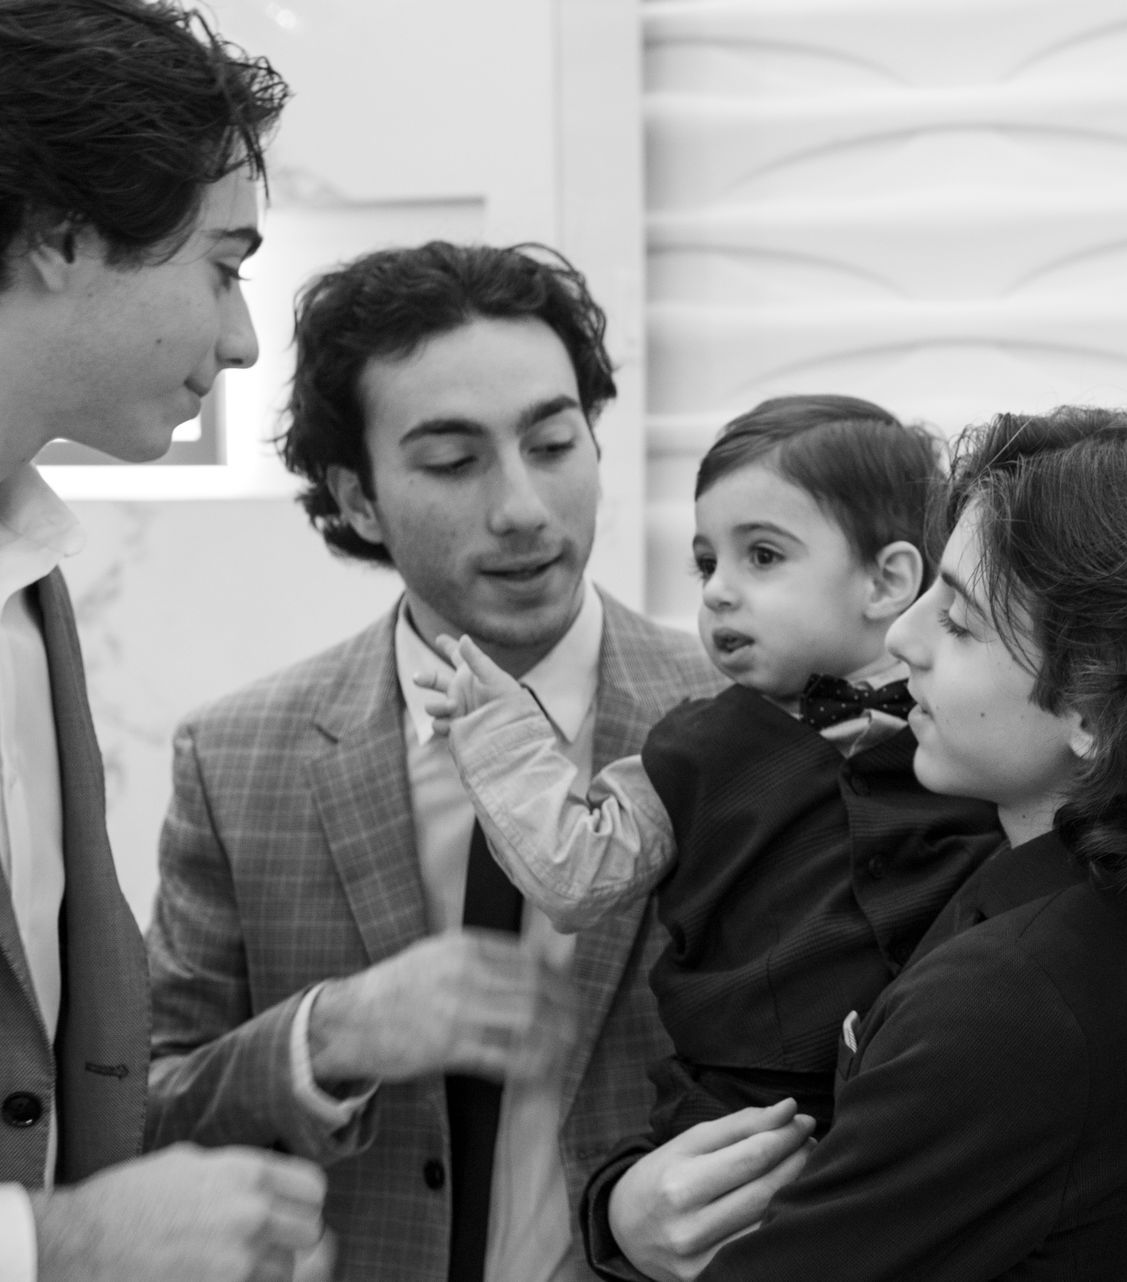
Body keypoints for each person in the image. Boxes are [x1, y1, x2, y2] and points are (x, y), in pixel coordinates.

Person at [588, 406, 1127, 1281]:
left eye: (958, 620)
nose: (903, 638)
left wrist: (621, 1223)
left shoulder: (1011, 1002)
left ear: (1097, 706)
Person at [143, 241, 721, 1282]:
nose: (522, 508)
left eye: (553, 441)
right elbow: (140, 1106)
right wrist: (334, 1033)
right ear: (357, 499)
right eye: (453, 463)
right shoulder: (236, 759)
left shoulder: (735, 729)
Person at [421, 394, 1002, 1137]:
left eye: (762, 556)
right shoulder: (692, 751)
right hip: (745, 1110)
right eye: (706, 564)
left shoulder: (966, 728)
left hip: (934, 1096)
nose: (720, 590)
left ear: (885, 583)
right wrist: (500, 733)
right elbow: (575, 874)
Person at [0, 3, 338, 1279]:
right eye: (224, 264)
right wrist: (54, 1245)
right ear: (62, 235)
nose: (246, 339)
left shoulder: (32, 577)